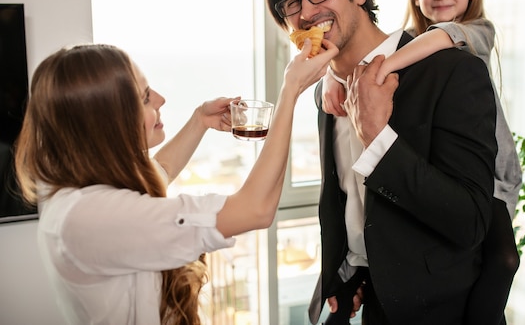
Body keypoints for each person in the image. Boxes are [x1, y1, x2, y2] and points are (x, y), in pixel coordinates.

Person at [14, 42, 337, 325]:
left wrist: (200, 120)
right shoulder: (87, 218)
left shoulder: (80, 190)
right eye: (143, 97)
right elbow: (255, 209)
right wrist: (289, 91)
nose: (160, 99)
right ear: (106, 122)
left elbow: (159, 170)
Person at [266, 0, 498, 324]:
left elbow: (470, 220)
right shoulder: (327, 92)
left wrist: (378, 138)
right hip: (373, 303)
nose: (307, 11)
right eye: (292, 3)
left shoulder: (452, 71)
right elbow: (348, 201)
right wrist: (350, 272)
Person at [320, 0, 522, 324]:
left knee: (501, 259)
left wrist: (372, 71)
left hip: (494, 179)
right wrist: (331, 78)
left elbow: (427, 42)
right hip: (439, 182)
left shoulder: (473, 31)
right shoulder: (410, 39)